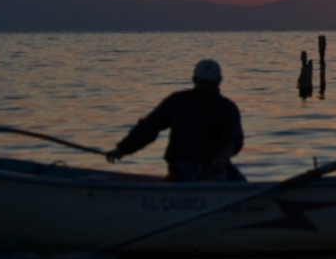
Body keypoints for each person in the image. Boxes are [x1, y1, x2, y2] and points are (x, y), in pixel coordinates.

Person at [105, 59, 245, 182]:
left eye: (211, 83)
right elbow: (149, 127)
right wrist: (122, 149)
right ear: (194, 80)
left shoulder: (227, 108)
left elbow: (233, 139)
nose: (206, 88)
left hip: (215, 167)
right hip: (183, 166)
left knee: (241, 184)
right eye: (203, 83)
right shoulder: (177, 102)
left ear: (219, 81)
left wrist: (222, 158)